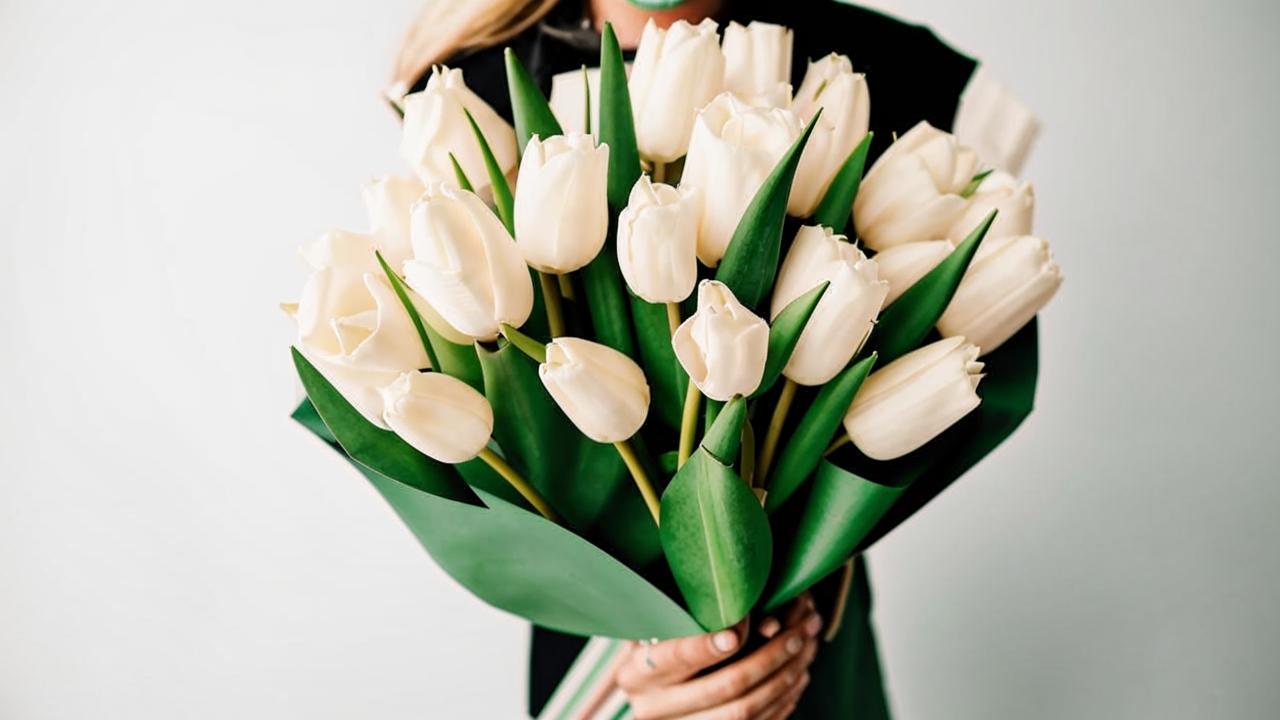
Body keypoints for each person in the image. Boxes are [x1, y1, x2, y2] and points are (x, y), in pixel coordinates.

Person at [388, 1, 981, 716]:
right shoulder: (468, 90)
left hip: (800, 643)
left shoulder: (886, 67)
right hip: (601, 665)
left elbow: (917, 364)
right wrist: (645, 668)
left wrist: (756, 609)